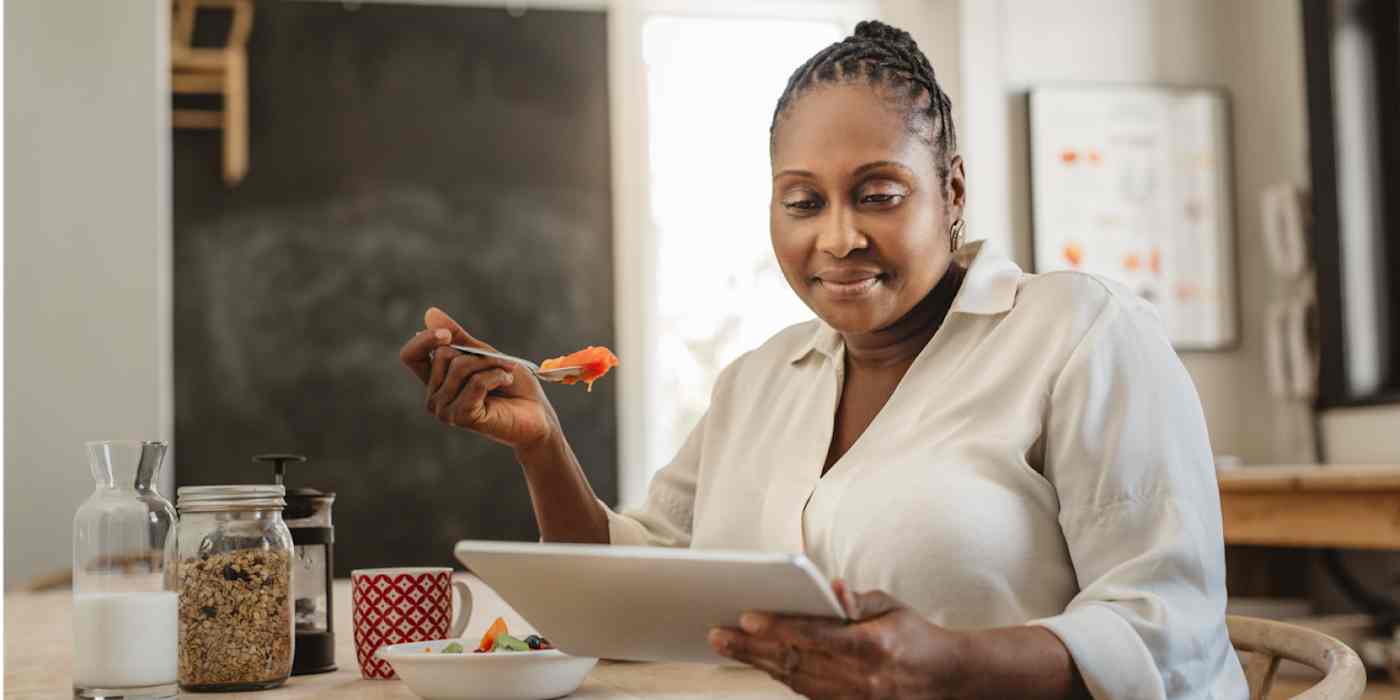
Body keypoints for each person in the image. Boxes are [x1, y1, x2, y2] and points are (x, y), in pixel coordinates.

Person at [399, 20, 1247, 700]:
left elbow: (1166, 627)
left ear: (952, 190)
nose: (837, 238)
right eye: (803, 201)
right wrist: (542, 443)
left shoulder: (1081, 333)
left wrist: (943, 668)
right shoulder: (758, 383)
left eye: (878, 194)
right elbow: (625, 591)